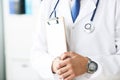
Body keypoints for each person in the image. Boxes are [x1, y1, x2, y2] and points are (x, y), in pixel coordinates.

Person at [30, 0, 120, 80]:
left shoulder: (115, 4)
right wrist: (55, 65)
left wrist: (88, 65)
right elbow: (37, 54)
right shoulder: (48, 4)